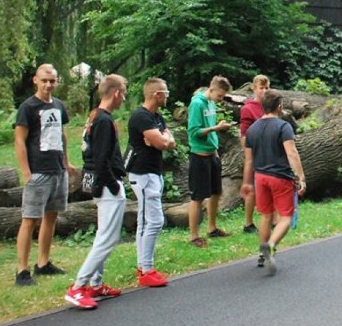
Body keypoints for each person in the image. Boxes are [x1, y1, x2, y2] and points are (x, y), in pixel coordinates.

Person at [64, 74, 128, 309]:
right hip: (106, 185)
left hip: (98, 182)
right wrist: (114, 185)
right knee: (108, 239)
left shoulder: (94, 115)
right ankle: (78, 287)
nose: (124, 97)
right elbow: (101, 159)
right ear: (116, 93)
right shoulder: (103, 121)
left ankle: (96, 284)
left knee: (103, 234)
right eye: (124, 92)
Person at [14, 64, 79, 286]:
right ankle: (22, 270)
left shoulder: (59, 106)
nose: (48, 85)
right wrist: (26, 172)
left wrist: (66, 161)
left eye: (52, 81)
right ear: (36, 80)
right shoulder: (27, 107)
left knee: (51, 217)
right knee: (30, 219)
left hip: (57, 170)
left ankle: (43, 263)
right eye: (44, 81)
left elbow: (61, 135)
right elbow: (20, 140)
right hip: (38, 172)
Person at [241, 90, 307, 275]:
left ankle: (262, 255)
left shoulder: (252, 129)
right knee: (286, 216)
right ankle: (270, 246)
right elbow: (291, 153)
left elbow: (248, 160)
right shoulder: (283, 126)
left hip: (260, 177)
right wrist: (300, 177)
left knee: (265, 215)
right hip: (280, 177)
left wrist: (246, 182)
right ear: (279, 106)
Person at [127, 78, 176, 288]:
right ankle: (146, 269)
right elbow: (161, 142)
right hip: (143, 174)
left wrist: (164, 140)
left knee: (144, 221)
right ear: (156, 95)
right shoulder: (141, 117)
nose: (167, 96)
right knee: (154, 221)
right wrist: (162, 141)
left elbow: (168, 141)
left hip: (154, 172)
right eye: (165, 93)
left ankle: (144, 266)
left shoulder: (156, 117)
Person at [187, 75, 234, 247]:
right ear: (211, 89)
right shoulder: (197, 104)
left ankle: (212, 228)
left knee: (216, 192)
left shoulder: (212, 103)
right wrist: (217, 128)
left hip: (212, 154)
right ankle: (193, 236)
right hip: (199, 155)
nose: (221, 100)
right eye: (220, 96)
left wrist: (215, 150)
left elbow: (211, 130)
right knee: (198, 196)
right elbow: (194, 131)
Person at [239, 74, 271, 233]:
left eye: (267, 88)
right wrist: (248, 154)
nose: (264, 91)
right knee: (251, 187)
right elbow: (244, 135)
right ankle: (248, 223)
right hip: (254, 152)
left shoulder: (269, 106)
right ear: (254, 88)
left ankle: (270, 218)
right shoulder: (248, 108)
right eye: (261, 88)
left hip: (269, 152)